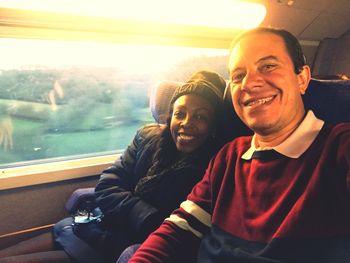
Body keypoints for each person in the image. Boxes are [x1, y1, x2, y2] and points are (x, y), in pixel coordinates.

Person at [128, 27, 350, 263]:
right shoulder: (229, 154)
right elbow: (181, 228)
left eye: (268, 66)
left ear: (302, 78)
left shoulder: (338, 146)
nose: (249, 83)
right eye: (238, 75)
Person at [0, 70, 227, 263]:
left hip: (120, 245)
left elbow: (171, 228)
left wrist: (135, 213)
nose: (186, 123)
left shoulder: (217, 166)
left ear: (214, 125)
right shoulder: (147, 136)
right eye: (180, 113)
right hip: (95, 223)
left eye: (200, 117)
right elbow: (108, 184)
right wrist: (145, 215)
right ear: (170, 116)